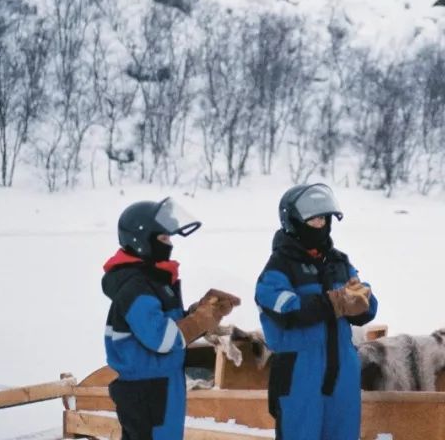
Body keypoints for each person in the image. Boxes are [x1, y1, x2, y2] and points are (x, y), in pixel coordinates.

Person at [102, 198, 240, 440]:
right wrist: (198, 320)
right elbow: (162, 339)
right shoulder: (136, 288)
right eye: (164, 239)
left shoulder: (155, 281)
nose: (169, 245)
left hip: (162, 383)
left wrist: (202, 312)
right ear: (141, 240)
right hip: (146, 390)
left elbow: (171, 329)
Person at [255, 183, 377, 440]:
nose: (321, 225)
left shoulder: (339, 262)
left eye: (324, 218)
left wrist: (362, 299)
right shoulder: (278, 269)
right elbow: (288, 312)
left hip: (343, 371)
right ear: (294, 222)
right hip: (300, 373)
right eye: (313, 219)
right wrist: (334, 302)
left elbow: (366, 310)